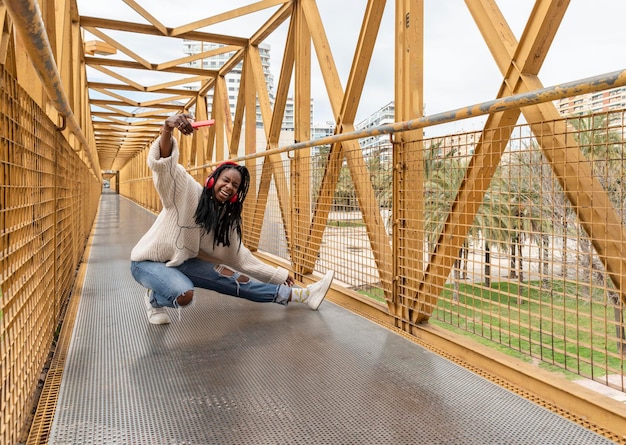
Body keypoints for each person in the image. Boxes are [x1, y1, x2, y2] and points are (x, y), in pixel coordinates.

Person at [130, 114, 334, 324]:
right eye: (225, 180)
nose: (229, 187)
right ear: (212, 181)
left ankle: (305, 296)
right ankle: (154, 298)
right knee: (183, 293)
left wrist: (277, 275)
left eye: (235, 186)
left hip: (181, 263)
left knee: (236, 281)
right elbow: (165, 166)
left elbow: (241, 259)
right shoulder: (186, 191)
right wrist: (167, 128)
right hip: (147, 263)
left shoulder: (224, 222)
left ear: (237, 193)